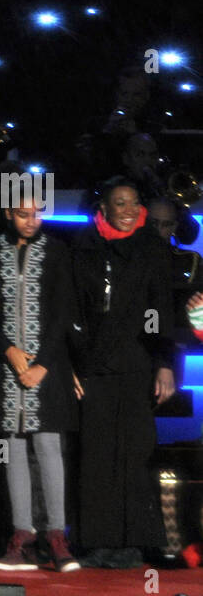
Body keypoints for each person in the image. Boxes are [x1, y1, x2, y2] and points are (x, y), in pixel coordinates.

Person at [70, 177, 175, 564]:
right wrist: (71, 365)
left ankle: (134, 543)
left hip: (136, 364)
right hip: (93, 365)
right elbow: (73, 309)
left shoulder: (152, 248)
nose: (128, 210)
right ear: (104, 208)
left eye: (133, 203)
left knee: (134, 454)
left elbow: (158, 308)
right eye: (120, 203)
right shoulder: (83, 248)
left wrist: (162, 362)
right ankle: (96, 542)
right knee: (95, 456)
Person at [0, 195, 79, 572]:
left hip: (47, 367)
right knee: (11, 450)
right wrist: (7, 349)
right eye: (23, 214)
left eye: (37, 213)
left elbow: (62, 312)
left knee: (49, 445)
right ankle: (21, 534)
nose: (31, 220)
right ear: (8, 213)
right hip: (6, 368)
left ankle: (56, 535)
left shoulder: (56, 251)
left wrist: (44, 364)